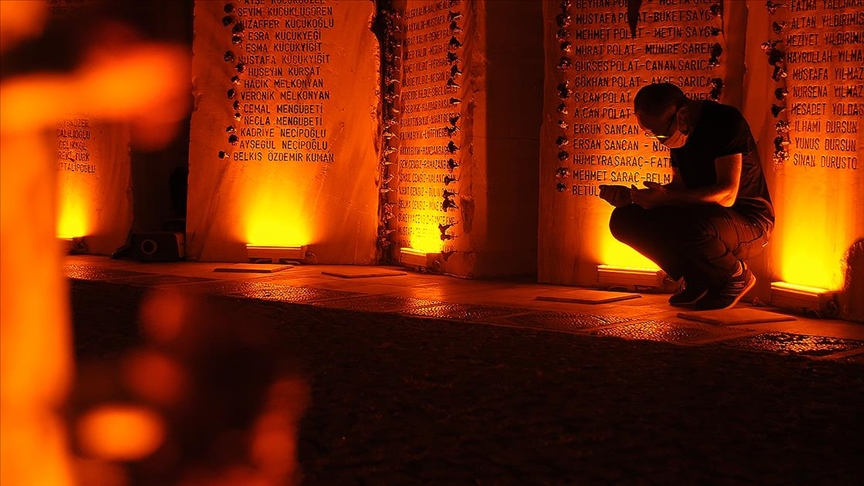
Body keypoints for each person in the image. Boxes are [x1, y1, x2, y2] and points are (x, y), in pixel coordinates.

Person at [598, 83, 774, 310]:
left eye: (660, 133)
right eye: (653, 134)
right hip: (704, 217)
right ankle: (698, 277)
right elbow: (679, 190)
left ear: (681, 113)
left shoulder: (724, 121)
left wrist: (666, 199)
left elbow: (727, 194)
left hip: (749, 222)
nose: (661, 141)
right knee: (626, 220)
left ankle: (735, 275)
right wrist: (637, 198)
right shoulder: (679, 132)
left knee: (693, 226)